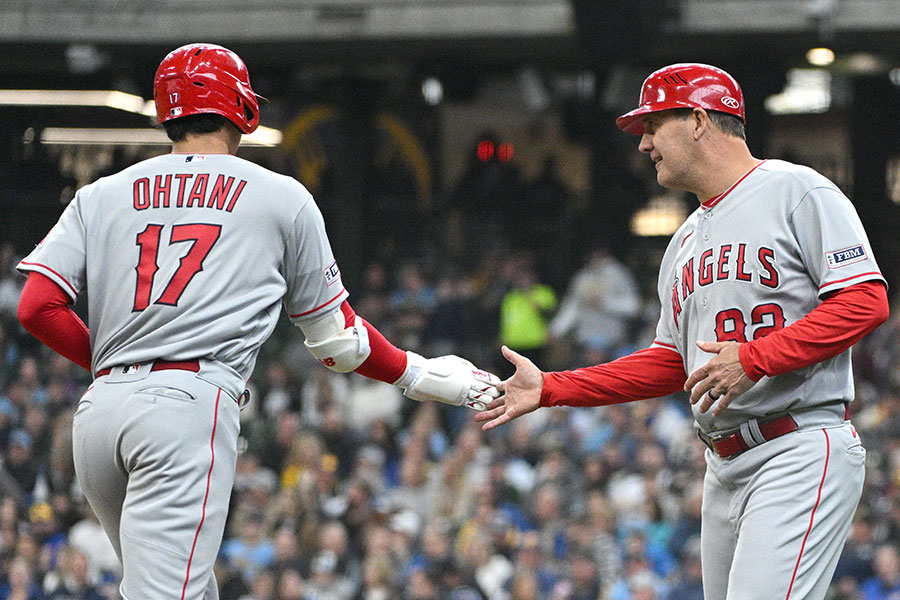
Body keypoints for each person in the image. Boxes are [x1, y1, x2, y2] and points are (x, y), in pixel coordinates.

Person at [15, 43, 499, 599]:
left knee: (188, 589)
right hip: (185, 405)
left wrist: (112, 362)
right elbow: (338, 343)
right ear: (242, 108)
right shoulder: (279, 195)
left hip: (97, 415)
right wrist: (421, 375)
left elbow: (36, 307)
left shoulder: (99, 194)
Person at [476, 62, 890, 600]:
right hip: (723, 461)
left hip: (798, 444)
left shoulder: (796, 189)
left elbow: (864, 300)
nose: (644, 144)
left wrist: (754, 358)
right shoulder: (684, 240)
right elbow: (672, 362)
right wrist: (554, 387)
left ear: (698, 119)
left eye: (653, 125)